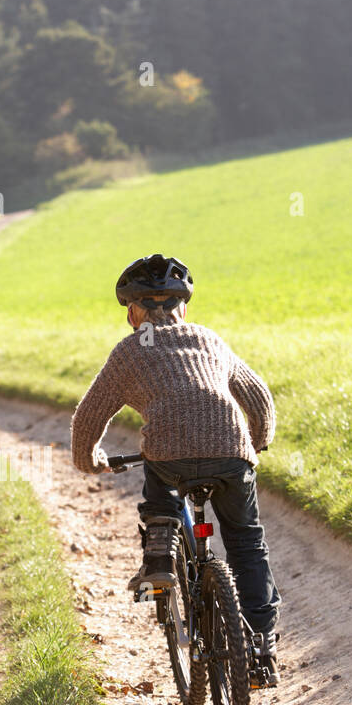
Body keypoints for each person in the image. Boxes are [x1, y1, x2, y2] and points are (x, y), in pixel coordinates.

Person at [70, 254, 281, 682]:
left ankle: (160, 553)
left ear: (133, 312)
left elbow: (90, 416)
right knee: (245, 544)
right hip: (231, 451)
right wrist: (257, 440)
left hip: (170, 454)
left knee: (160, 473)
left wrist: (88, 461)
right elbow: (257, 397)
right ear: (182, 307)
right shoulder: (208, 339)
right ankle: (260, 647)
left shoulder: (129, 352)